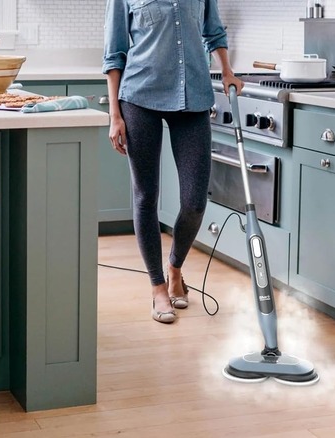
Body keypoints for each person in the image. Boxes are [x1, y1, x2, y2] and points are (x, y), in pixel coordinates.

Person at [102, 0, 244, 324]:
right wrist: (114, 114)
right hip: (139, 96)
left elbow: (213, 31)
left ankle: (175, 267)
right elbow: (114, 53)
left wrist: (227, 70)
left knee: (195, 201)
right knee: (146, 196)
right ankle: (157, 287)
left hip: (193, 96)